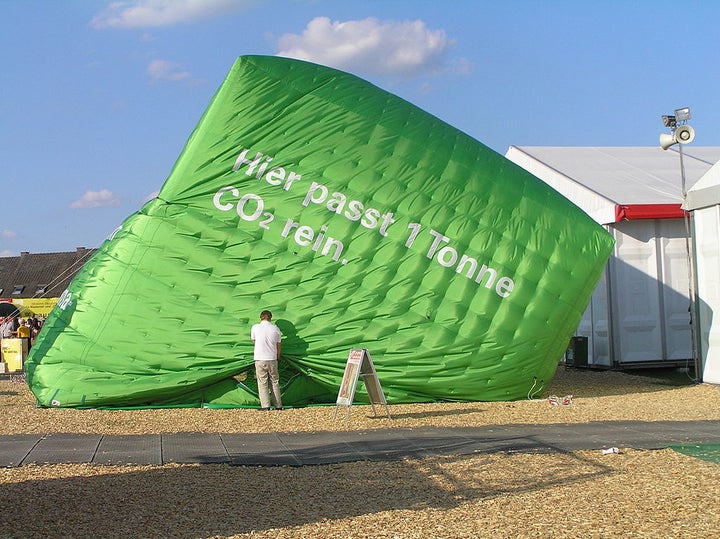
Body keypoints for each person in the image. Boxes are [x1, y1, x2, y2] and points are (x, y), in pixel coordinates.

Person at [250, 310, 283, 410]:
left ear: (261, 317)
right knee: (274, 381)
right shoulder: (276, 329)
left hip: (260, 358)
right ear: (270, 318)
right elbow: (278, 345)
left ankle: (265, 406)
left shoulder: (255, 327)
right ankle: (278, 406)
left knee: (262, 382)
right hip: (272, 358)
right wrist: (278, 356)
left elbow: (254, 341)